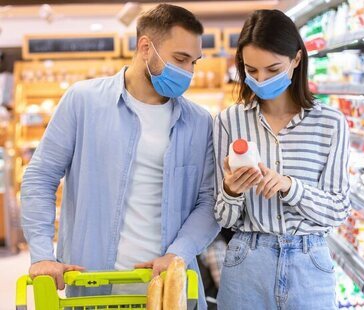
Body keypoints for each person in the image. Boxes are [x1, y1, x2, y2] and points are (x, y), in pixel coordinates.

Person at [21, 4, 219, 309]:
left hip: (170, 291)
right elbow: (40, 177)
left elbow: (208, 201)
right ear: (145, 47)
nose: (189, 72)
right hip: (93, 286)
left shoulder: (199, 121)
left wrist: (177, 253)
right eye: (180, 59)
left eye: (194, 62)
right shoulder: (83, 101)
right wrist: (42, 255)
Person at [214, 10, 350, 310]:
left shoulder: (331, 124)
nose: (261, 80)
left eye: (273, 69)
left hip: (309, 263)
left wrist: (291, 187)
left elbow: (338, 210)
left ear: (297, 60)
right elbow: (223, 218)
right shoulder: (229, 121)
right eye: (252, 70)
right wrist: (232, 191)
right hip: (247, 260)